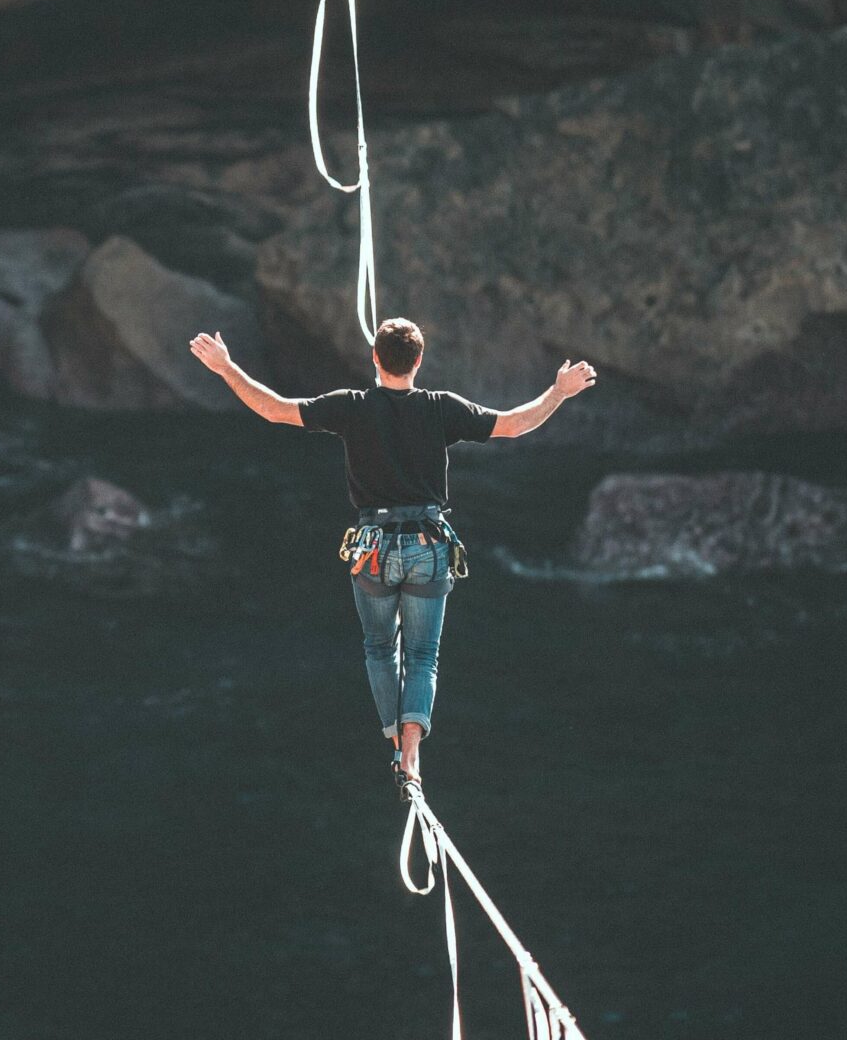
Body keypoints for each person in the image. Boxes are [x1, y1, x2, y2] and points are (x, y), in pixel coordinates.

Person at [188, 319, 596, 783]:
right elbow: (514, 425)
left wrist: (226, 368)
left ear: (375, 359)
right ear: (419, 361)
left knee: (380, 648)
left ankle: (394, 738)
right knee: (423, 656)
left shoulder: (351, 407)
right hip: (428, 544)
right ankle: (412, 753)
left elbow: (275, 409)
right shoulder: (443, 408)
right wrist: (560, 390)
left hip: (373, 549)